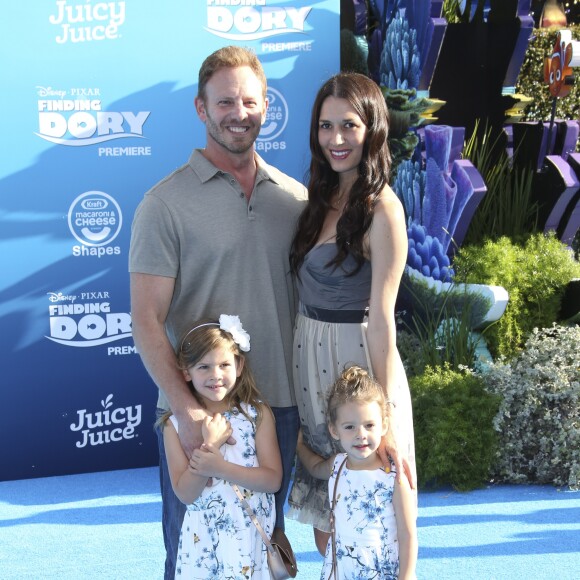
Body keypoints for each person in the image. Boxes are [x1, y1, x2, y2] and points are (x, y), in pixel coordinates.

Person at [129, 45, 307, 578]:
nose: (238, 112)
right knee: (193, 557)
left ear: (266, 106)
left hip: (279, 411)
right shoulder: (163, 205)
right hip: (203, 416)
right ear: (201, 109)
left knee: (263, 552)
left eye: (249, 101)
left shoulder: (294, 200)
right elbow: (145, 320)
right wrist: (187, 412)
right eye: (224, 101)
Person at [287, 71, 416, 555]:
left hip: (355, 364)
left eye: (349, 126)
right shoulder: (319, 198)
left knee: (368, 522)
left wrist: (387, 416)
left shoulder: (383, 210)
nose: (335, 139)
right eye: (325, 126)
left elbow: (383, 320)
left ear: (373, 130)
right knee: (327, 524)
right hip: (310, 364)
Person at [159, 315, 282, 578]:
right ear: (186, 373)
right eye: (203, 367)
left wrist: (221, 468)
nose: (216, 375)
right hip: (204, 543)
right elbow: (185, 494)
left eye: (224, 364)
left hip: (250, 539)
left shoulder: (257, 414)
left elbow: (273, 480)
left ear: (239, 366)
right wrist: (209, 446)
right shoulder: (174, 426)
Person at [296, 365, 418, 579]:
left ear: (383, 425)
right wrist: (299, 447)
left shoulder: (394, 478)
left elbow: (407, 534)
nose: (361, 434)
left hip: (380, 570)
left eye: (369, 425)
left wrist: (406, 577)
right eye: (350, 427)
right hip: (341, 568)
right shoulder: (337, 465)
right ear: (334, 430)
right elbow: (315, 467)